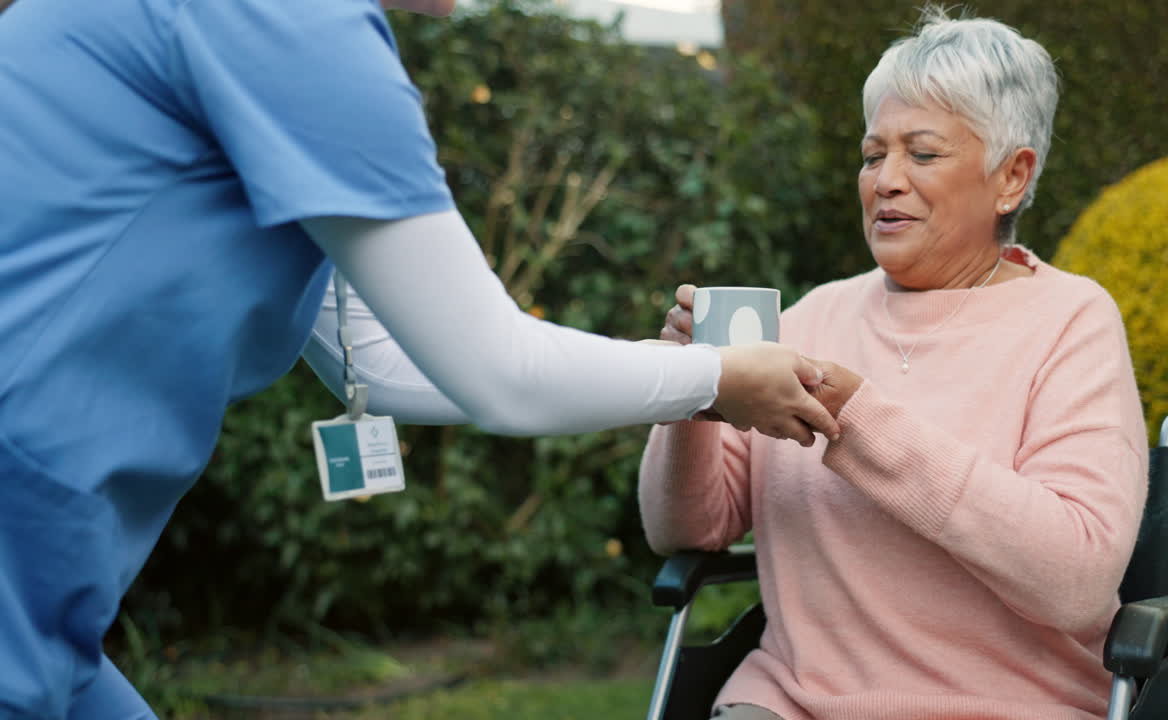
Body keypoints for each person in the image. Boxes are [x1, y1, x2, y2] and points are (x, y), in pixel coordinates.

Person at [0, 0, 842, 716]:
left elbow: (388, 361)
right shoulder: (293, 25)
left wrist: (696, 383)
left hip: (44, 584)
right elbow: (502, 375)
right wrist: (719, 379)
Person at [639, 7, 1148, 720]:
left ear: (1011, 176)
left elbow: (1076, 580)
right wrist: (691, 392)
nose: (886, 180)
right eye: (874, 154)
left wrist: (860, 421)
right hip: (794, 704)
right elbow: (688, 532)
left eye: (924, 153)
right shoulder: (812, 317)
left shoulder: (1071, 322)